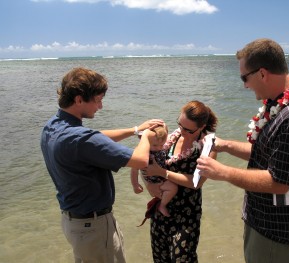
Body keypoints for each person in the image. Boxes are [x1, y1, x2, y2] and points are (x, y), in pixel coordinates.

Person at [196, 38, 289, 263]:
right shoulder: (283, 106)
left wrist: (223, 172)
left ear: (262, 74)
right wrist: (224, 145)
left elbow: (279, 182)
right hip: (266, 228)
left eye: (244, 78)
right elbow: (268, 154)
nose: (245, 85)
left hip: (277, 235)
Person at [40, 67, 163, 263]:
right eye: (98, 100)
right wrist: (146, 136)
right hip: (94, 227)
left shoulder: (52, 126)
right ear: (79, 99)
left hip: (74, 224)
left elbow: (97, 137)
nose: (101, 107)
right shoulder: (81, 139)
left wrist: (134, 129)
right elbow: (140, 160)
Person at [145, 100, 218, 263]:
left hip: (187, 213)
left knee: (182, 259)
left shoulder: (208, 145)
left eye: (188, 130)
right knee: (160, 258)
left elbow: (196, 182)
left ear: (201, 127)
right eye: (180, 125)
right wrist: (149, 183)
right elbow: (148, 159)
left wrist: (162, 172)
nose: (182, 131)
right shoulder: (172, 136)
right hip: (162, 207)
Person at [130, 125, 178, 217]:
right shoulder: (143, 153)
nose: (159, 148)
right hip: (154, 180)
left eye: (162, 145)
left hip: (161, 177)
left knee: (172, 187)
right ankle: (162, 206)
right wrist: (135, 185)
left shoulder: (159, 147)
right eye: (155, 145)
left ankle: (161, 201)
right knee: (173, 187)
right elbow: (134, 170)